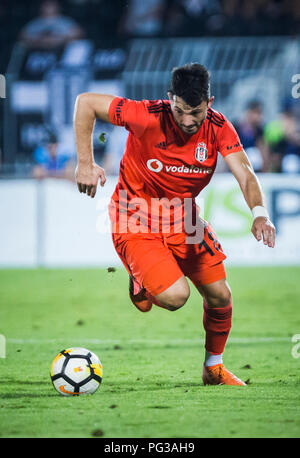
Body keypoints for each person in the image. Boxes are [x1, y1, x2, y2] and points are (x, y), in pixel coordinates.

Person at [73, 63, 276, 386]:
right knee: (175, 297)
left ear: (209, 103)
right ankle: (140, 280)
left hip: (184, 219)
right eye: (180, 110)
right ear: (170, 99)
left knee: (220, 296)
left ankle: (213, 368)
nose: (186, 120)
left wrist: (259, 213)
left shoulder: (220, 127)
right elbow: (86, 102)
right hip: (134, 218)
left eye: (194, 112)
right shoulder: (146, 115)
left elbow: (245, 173)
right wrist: (86, 162)